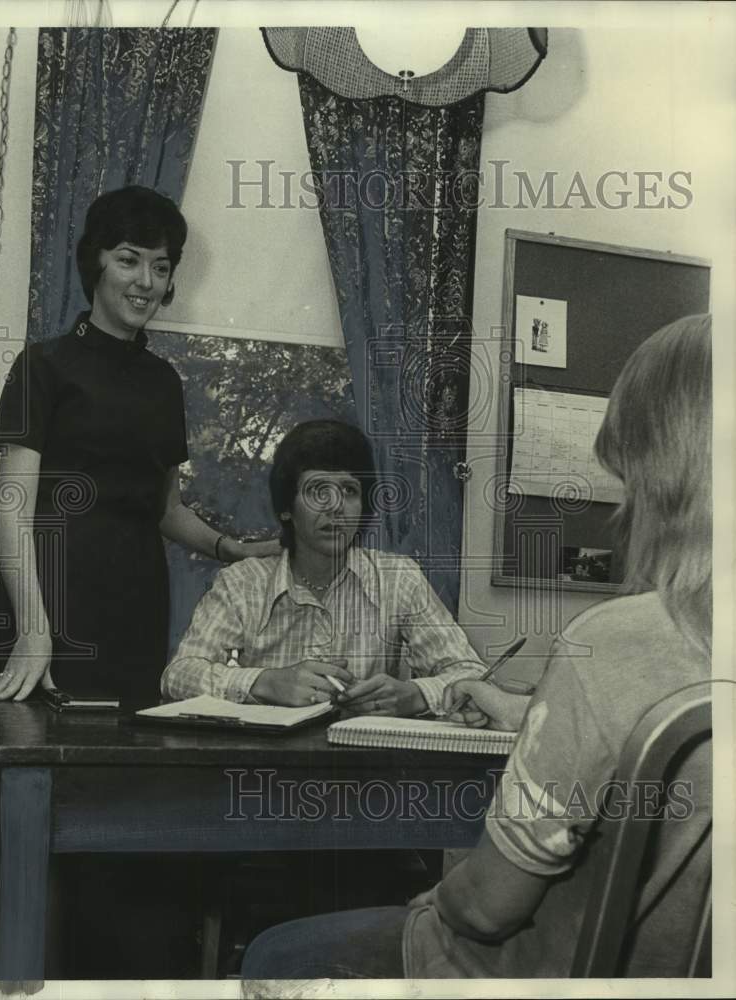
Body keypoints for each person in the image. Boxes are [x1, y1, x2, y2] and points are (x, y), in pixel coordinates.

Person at [240, 313, 712, 979]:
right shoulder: (244, 583)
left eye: (627, 480)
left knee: (275, 956)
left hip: (542, 970)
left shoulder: (613, 641)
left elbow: (487, 909)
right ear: (287, 506)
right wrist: (525, 709)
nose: (621, 511)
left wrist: (441, 900)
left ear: (660, 480)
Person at [0, 185, 277, 715]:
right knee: (17, 779)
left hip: (134, 604)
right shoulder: (41, 367)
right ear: (97, 261)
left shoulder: (164, 382)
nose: (146, 282)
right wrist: (33, 630)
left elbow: (166, 509)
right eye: (129, 260)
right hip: (47, 601)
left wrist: (231, 549)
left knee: (115, 778)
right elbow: (13, 514)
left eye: (161, 268)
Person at [161, 419, 489, 717]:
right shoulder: (242, 582)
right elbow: (178, 676)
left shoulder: (398, 578)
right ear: (287, 508)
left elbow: (472, 673)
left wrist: (416, 694)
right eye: (318, 491)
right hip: (266, 771)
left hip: (365, 772)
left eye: (349, 491)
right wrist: (263, 683)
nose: (335, 507)